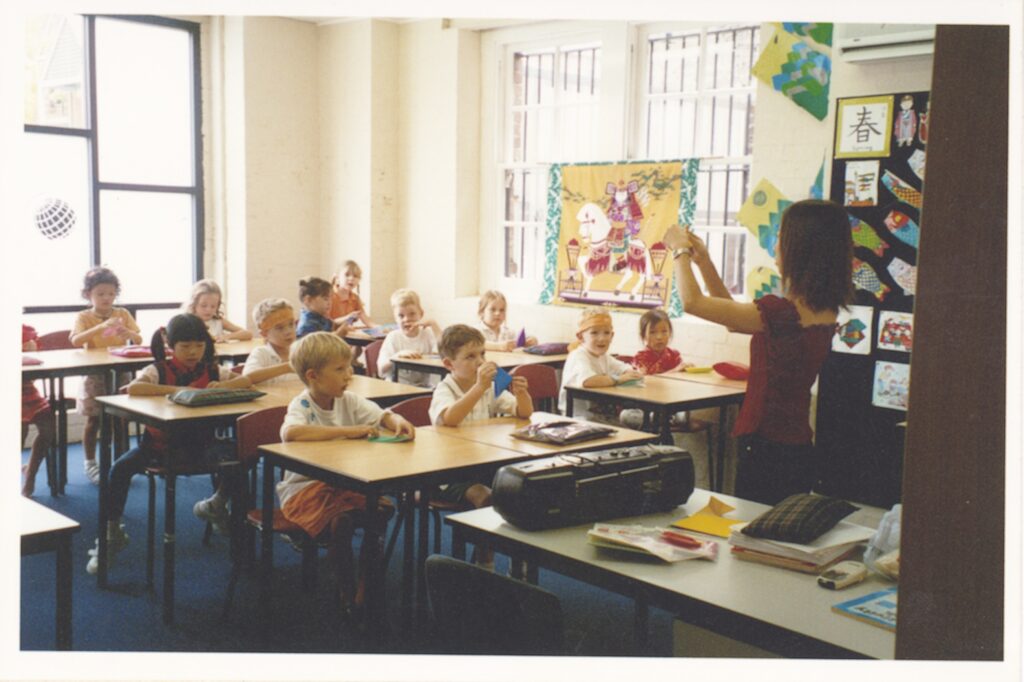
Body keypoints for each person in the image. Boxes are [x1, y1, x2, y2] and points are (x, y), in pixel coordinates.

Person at [663, 199, 854, 505]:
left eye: (780, 237)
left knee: (754, 536)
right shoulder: (823, 309)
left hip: (766, 445)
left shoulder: (781, 312)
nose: (775, 246)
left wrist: (679, 250)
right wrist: (704, 262)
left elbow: (692, 302)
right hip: (797, 444)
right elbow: (733, 321)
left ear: (799, 249)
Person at [85, 314, 278, 574]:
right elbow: (134, 388)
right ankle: (110, 535)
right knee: (118, 470)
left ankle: (222, 512)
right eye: (185, 346)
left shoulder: (211, 369)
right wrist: (178, 392)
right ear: (171, 345)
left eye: (198, 346)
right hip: (158, 449)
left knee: (241, 460)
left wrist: (223, 386)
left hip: (203, 447)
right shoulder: (159, 369)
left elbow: (245, 380)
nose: (193, 352)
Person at [280, 332, 415, 618]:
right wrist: (348, 431)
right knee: (340, 521)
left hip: (343, 484)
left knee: (377, 511)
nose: (348, 374)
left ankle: (366, 587)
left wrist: (397, 419)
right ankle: (346, 591)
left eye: (348, 367)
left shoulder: (349, 400)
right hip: (305, 489)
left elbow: (381, 415)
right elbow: (290, 433)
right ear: (313, 376)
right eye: (339, 369)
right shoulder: (302, 405)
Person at [428, 325, 533, 568]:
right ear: (449, 364)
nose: (480, 362)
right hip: (448, 474)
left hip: (482, 463)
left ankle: (521, 560)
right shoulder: (445, 389)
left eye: (482, 354)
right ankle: (485, 562)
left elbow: (523, 412)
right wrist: (479, 387)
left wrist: (522, 394)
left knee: (522, 488)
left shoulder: (489, 388)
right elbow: (451, 418)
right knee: (485, 496)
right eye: (470, 357)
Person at [70, 267, 143, 485]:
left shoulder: (122, 314)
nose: (106, 298)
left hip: (120, 370)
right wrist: (101, 326)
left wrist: (128, 334)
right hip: (94, 372)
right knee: (94, 419)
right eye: (100, 294)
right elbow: (75, 340)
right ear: (88, 295)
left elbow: (138, 339)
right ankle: (90, 463)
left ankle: (121, 462)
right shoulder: (83, 316)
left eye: (111, 294)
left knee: (120, 418)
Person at [558, 308, 643, 419]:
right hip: (578, 418)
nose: (602, 338)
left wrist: (631, 373)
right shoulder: (578, 356)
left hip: (600, 416)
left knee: (639, 420)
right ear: (580, 337)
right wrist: (619, 379)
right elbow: (588, 381)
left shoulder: (604, 357)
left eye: (606, 333)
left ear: (612, 336)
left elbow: (626, 369)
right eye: (594, 333)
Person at [377, 288, 442, 387]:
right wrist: (397, 356)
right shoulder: (393, 337)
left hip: (423, 387)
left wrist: (434, 325)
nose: (406, 319)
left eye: (412, 314)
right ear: (395, 318)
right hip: (397, 386)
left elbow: (445, 354)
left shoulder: (427, 333)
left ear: (421, 314)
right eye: (401, 316)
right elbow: (381, 370)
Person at [21, 325, 55, 497]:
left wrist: (33, 353)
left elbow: (35, 372)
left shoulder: (26, 331)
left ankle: (30, 474)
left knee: (48, 429)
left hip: (27, 392)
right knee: (19, 430)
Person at [242, 298, 298, 385]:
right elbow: (246, 377)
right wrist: (287, 367)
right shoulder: (262, 353)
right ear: (264, 333)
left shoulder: (301, 351)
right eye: (279, 328)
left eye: (291, 324)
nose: (288, 331)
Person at [183, 279, 253, 343]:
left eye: (213, 306)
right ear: (193, 304)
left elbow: (248, 334)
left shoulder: (218, 321)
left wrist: (226, 337)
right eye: (203, 306)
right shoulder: (187, 322)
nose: (208, 310)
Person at [329, 260, 375, 328]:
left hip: (346, 334)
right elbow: (327, 323)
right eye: (347, 275)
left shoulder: (355, 298)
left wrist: (380, 328)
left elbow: (365, 319)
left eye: (355, 276)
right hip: (329, 335)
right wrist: (347, 318)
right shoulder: (329, 296)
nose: (351, 278)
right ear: (337, 278)